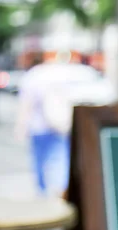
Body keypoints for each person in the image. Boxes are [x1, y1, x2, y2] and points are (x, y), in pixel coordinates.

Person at [15, 55, 72, 198]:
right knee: (60, 160)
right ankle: (61, 191)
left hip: (38, 128)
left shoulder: (31, 77)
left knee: (39, 161)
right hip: (57, 126)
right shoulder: (55, 75)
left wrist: (21, 127)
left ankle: (43, 193)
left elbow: (26, 105)